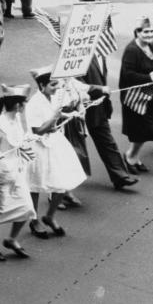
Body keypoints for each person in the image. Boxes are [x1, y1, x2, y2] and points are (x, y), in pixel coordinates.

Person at [25, 66, 88, 238]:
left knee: (63, 181)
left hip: (56, 142)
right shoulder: (33, 104)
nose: (56, 88)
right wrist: (54, 118)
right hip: (38, 146)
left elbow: (58, 114)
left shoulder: (53, 98)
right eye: (52, 85)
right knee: (35, 185)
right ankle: (34, 219)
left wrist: (73, 114)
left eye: (57, 85)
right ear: (42, 85)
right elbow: (37, 130)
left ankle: (49, 216)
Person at [0, 84, 36, 261]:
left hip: (17, 170)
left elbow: (20, 141)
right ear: (17, 105)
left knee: (27, 208)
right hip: (1, 172)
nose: (25, 106)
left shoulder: (17, 120)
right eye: (24, 103)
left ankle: (11, 238)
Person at [120, 16, 153, 172]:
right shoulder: (132, 50)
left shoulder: (149, 46)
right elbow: (127, 75)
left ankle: (134, 157)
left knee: (148, 129)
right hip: (135, 98)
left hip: (149, 94)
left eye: (151, 31)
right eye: (145, 31)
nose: (149, 34)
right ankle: (130, 157)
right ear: (137, 32)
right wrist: (149, 76)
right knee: (141, 130)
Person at [77, 53, 140, 189]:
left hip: (98, 108)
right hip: (78, 109)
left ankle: (120, 176)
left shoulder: (102, 56)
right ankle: (62, 191)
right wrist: (99, 90)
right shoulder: (80, 56)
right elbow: (76, 84)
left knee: (107, 141)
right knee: (74, 148)